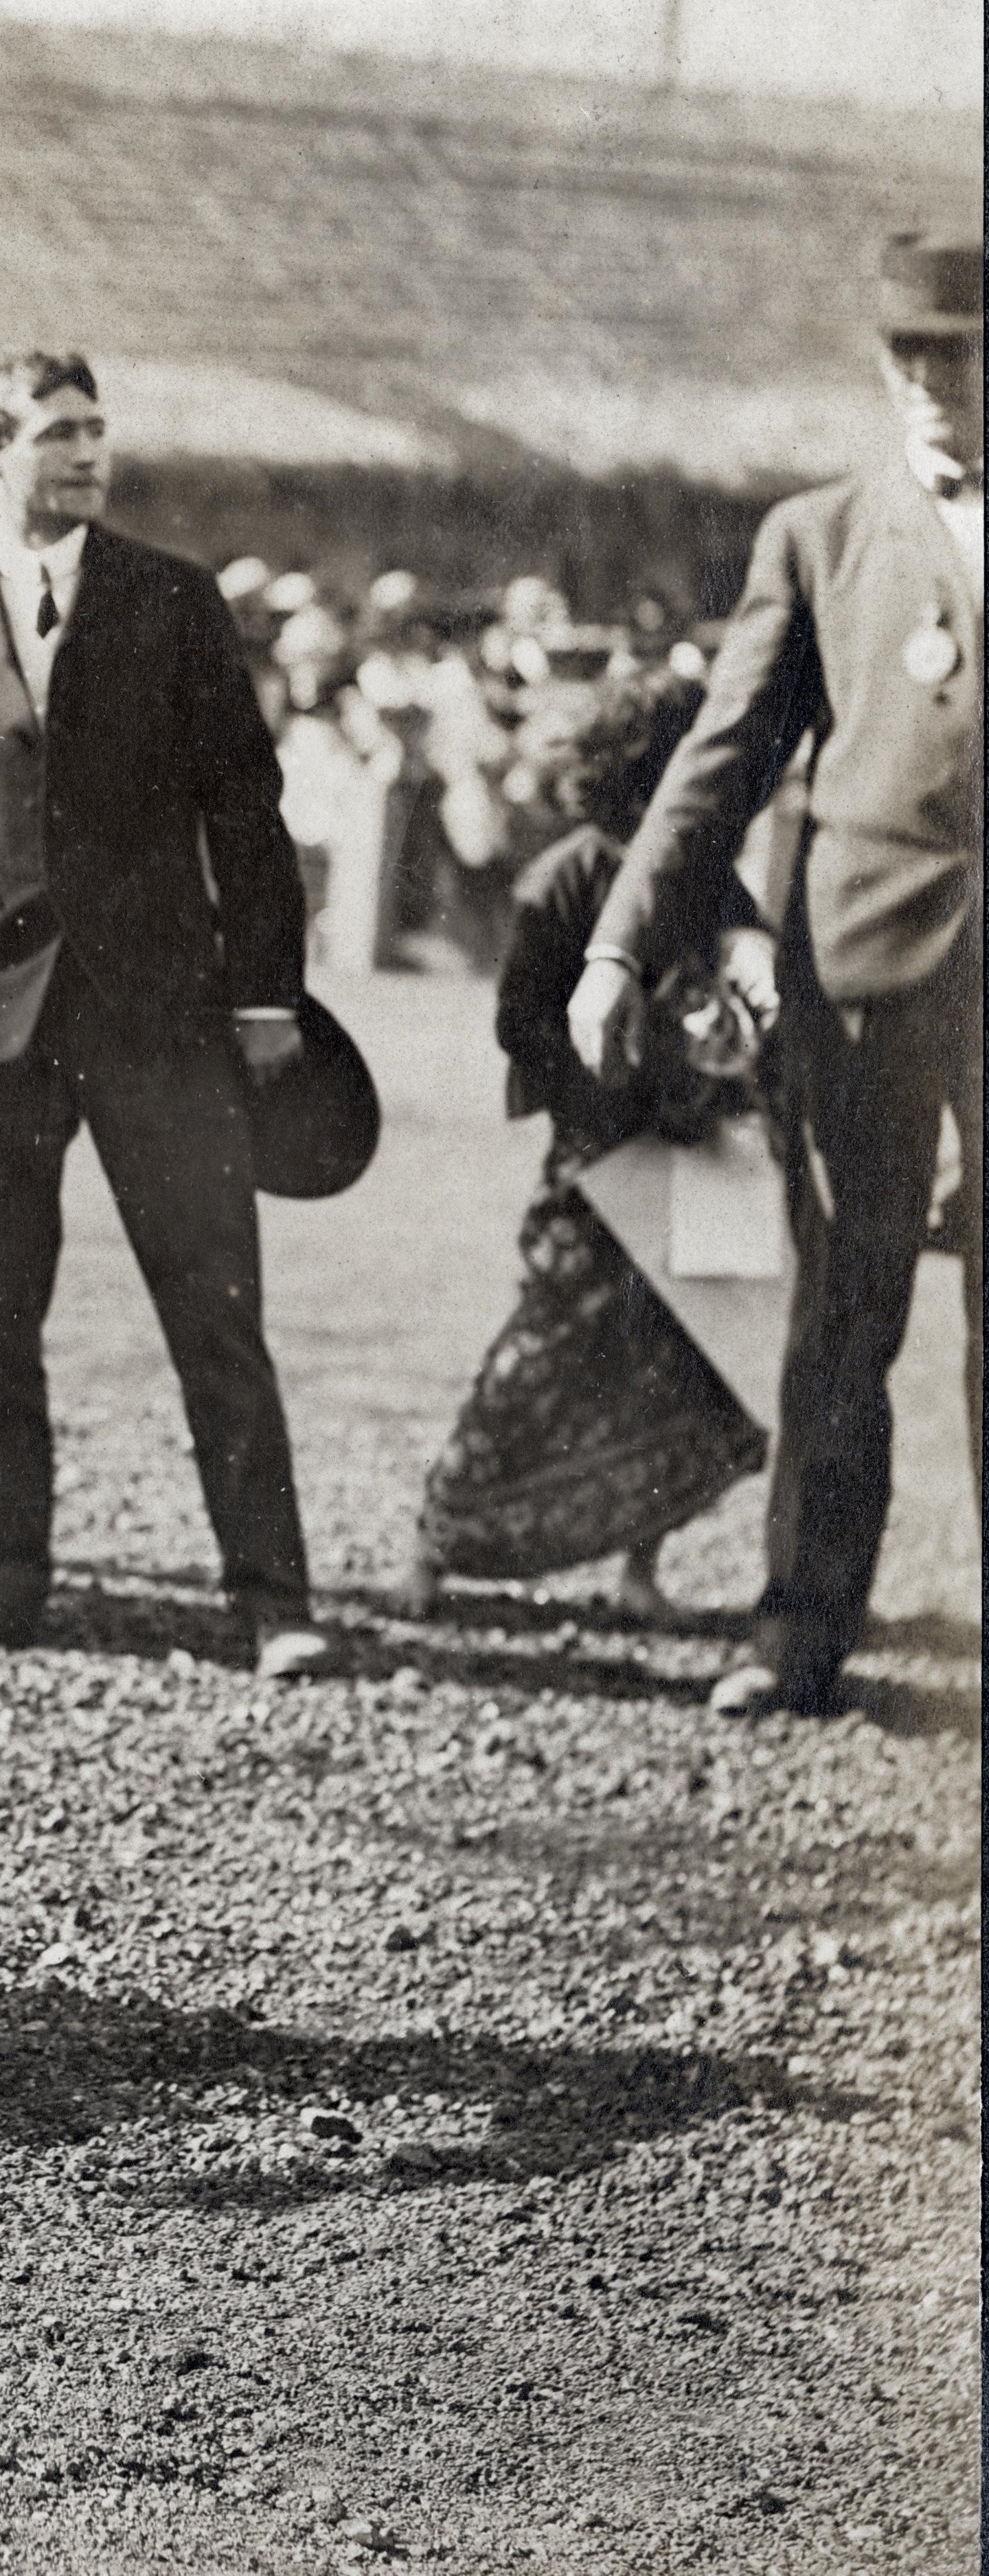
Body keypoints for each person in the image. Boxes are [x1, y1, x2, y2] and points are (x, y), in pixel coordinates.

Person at [0, 350, 331, 1678]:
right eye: (56, 434)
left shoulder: (173, 603)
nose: (85, 455)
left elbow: (248, 813)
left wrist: (263, 993)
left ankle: (273, 1598)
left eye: (95, 433)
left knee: (213, 1309)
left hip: (162, 1021)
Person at [576, 233, 983, 1719]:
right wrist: (623, 938)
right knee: (843, 1306)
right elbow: (722, 756)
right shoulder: (818, 536)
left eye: (962, 352)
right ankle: (798, 1628)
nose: (935, 384)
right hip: (863, 968)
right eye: (909, 358)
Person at [405, 673, 771, 1619]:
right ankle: (438, 1543)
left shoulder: (711, 877)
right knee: (547, 1344)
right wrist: (624, 1063)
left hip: (701, 1143)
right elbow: (521, 1022)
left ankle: (640, 1567)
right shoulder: (564, 877)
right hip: (603, 1148)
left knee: (690, 1359)